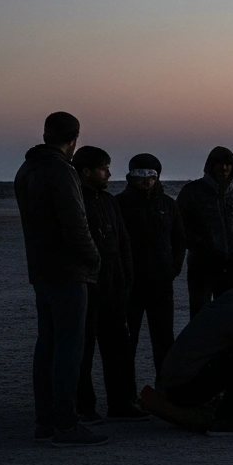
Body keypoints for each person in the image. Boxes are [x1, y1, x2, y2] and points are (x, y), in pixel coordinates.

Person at [14, 111, 107, 447]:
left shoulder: (26, 170)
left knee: (48, 345)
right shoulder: (61, 171)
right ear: (74, 139)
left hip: (41, 271)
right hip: (67, 272)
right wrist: (94, 259)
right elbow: (75, 225)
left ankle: (46, 420)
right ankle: (66, 424)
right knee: (68, 348)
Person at [145, 277, 233, 435]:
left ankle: (223, 411)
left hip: (175, 384)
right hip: (183, 390)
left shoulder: (221, 306)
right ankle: (225, 420)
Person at [72, 146, 146, 423]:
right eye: (104, 168)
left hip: (114, 287)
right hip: (87, 286)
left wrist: (126, 278)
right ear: (87, 171)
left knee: (119, 347)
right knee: (84, 348)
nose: (109, 173)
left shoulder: (108, 201)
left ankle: (122, 403)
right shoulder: (76, 202)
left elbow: (123, 241)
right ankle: (84, 406)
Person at [116, 152, 186, 379]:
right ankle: (126, 396)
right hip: (130, 284)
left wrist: (173, 269)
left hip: (161, 283)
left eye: (151, 175)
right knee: (127, 339)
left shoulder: (168, 205)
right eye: (140, 174)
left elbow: (179, 240)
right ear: (130, 176)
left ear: (157, 177)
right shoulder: (119, 205)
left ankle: (165, 389)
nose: (145, 180)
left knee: (164, 338)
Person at [178, 146, 233, 316]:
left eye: (228, 164)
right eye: (219, 163)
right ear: (211, 165)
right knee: (200, 316)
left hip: (229, 266)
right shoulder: (192, 191)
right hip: (201, 267)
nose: (224, 168)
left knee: (227, 315)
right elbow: (179, 227)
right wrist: (204, 245)